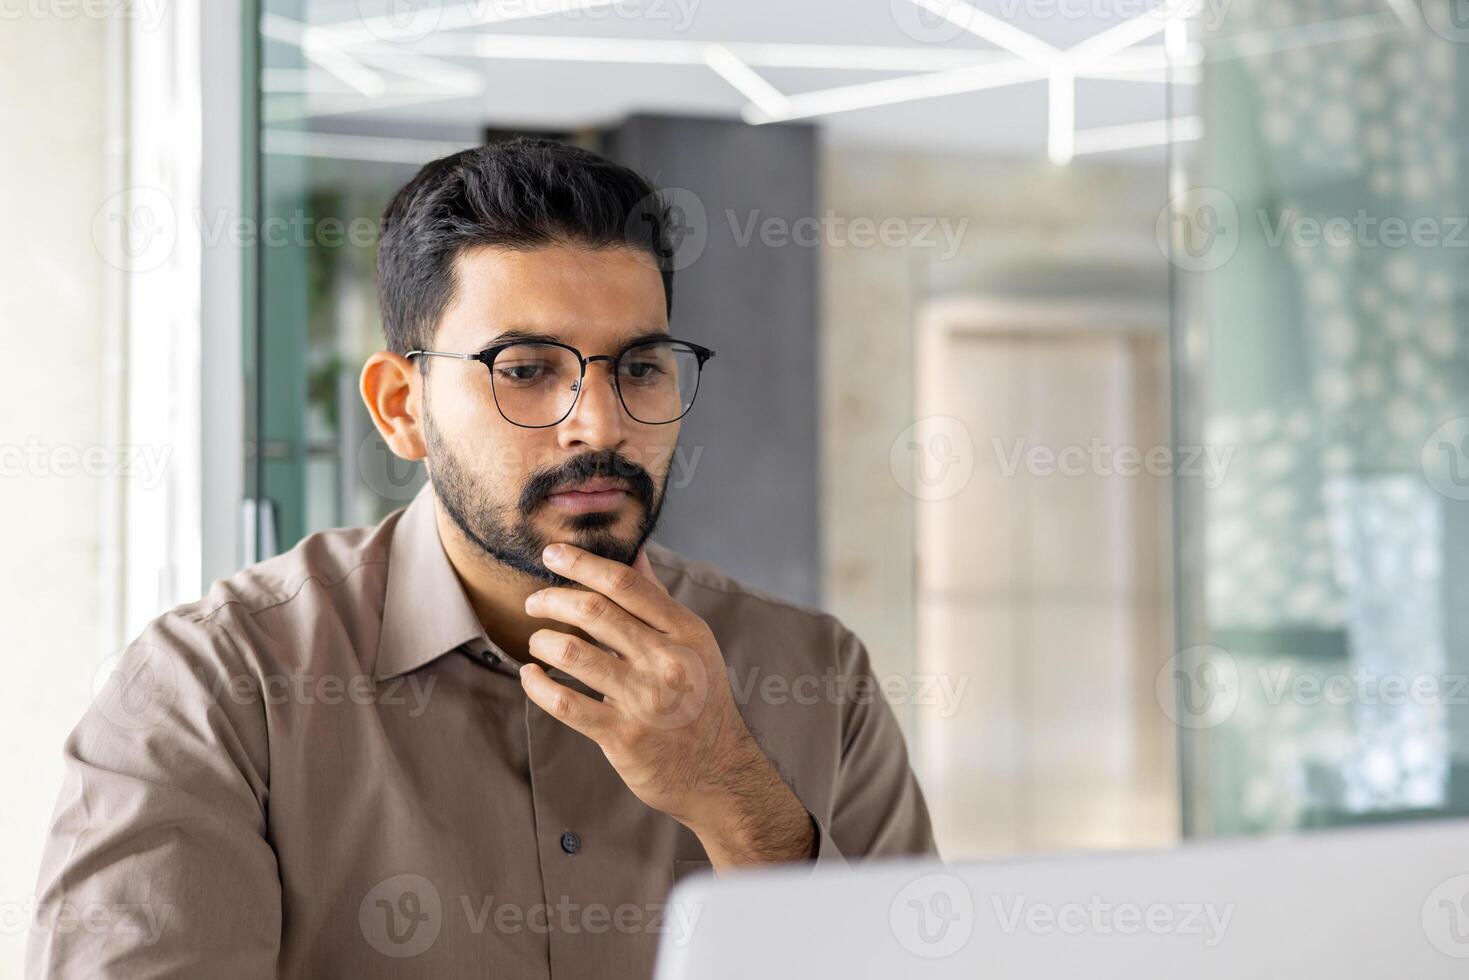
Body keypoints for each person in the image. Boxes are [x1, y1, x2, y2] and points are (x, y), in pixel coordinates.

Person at [29, 137, 935, 979]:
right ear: (400, 407)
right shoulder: (215, 690)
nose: (600, 422)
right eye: (526, 367)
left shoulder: (816, 676)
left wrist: (736, 797)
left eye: (640, 366)